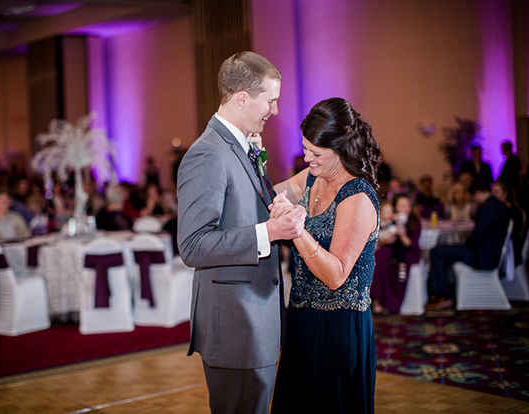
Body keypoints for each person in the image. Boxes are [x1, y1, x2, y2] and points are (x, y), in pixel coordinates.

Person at [176, 51, 306, 414]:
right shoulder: (209, 154)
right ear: (242, 98)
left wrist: (311, 176)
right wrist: (268, 232)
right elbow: (193, 245)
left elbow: (246, 207)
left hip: (252, 321)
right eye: (271, 100)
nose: (275, 110)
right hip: (236, 325)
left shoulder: (240, 145)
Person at [268, 97, 381, 413]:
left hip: (340, 328)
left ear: (342, 148)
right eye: (305, 149)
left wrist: (296, 230)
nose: (306, 158)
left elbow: (335, 275)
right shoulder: (310, 179)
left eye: (315, 153)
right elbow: (264, 198)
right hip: (302, 319)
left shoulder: (357, 196)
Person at [427, 181, 511, 310]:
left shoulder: (486, 208)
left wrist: (467, 241)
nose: (474, 200)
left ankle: (443, 296)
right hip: (491, 253)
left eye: (474, 197)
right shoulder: (501, 206)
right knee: (443, 251)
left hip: (482, 256)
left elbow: (477, 238)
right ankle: (440, 291)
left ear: (477, 193)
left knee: (436, 252)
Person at [371, 194, 422, 314]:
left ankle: (389, 301)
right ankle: (377, 298)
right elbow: (384, 236)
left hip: (409, 252)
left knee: (387, 258)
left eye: (408, 205)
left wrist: (400, 233)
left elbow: (410, 244)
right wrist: (387, 239)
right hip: (394, 249)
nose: (407, 208)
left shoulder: (414, 221)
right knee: (380, 254)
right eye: (403, 206)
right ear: (396, 208)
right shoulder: (392, 220)